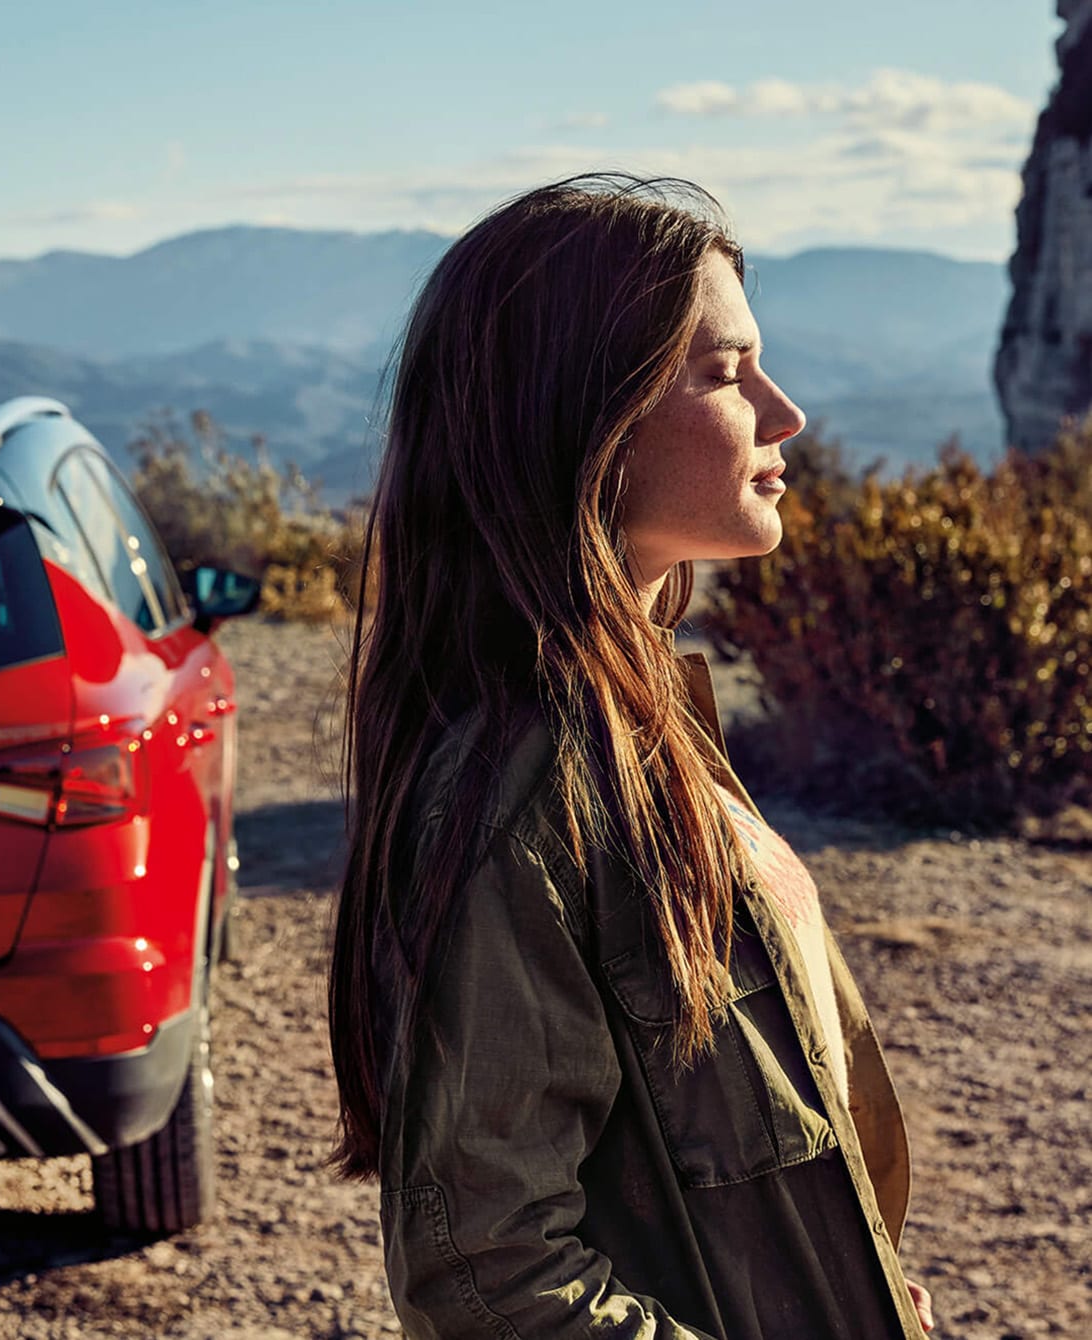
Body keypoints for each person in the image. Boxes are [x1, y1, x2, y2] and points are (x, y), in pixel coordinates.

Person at [328, 173, 934, 1339]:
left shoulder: (644, 720)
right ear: (587, 418)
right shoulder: (527, 788)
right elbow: (486, 1278)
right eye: (724, 372)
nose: (783, 410)